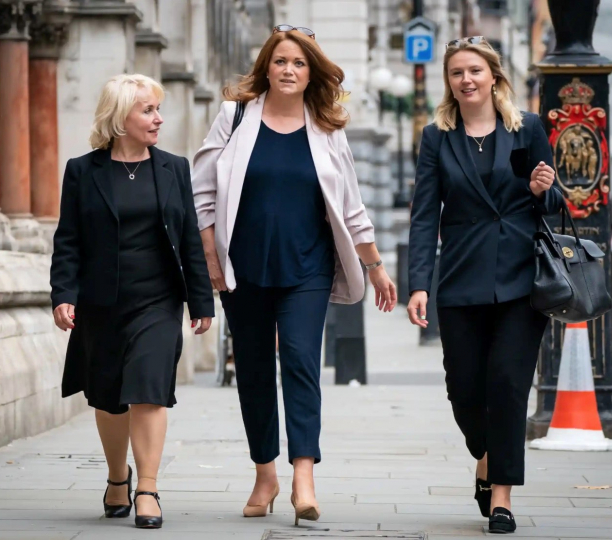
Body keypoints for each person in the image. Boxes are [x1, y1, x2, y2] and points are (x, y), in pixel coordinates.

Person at [191, 25, 397, 526]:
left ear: (312, 74)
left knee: (303, 361)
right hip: (245, 269)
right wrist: (212, 263)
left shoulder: (327, 128)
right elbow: (202, 196)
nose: (289, 70)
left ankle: (304, 474)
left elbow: (351, 208)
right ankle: (266, 473)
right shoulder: (234, 117)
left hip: (307, 267)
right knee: (255, 370)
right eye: (281, 61)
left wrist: (375, 268)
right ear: (267, 67)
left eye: (299, 64)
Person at [406, 37, 561, 534]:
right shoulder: (437, 137)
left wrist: (543, 190)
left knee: (509, 385)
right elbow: (425, 212)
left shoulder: (528, 128)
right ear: (449, 82)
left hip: (521, 278)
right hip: (460, 278)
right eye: (457, 73)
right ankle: (487, 455)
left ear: (494, 75)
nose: (467, 80)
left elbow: (555, 200)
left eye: (475, 70)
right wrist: (418, 284)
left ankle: (502, 496)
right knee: (464, 389)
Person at [50, 74, 214, 530]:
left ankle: (147, 487)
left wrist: (201, 301)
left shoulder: (173, 168)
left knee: (148, 388)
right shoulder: (83, 171)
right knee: (108, 397)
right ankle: (116, 477)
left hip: (158, 301)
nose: (158, 118)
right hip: (101, 302)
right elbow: (69, 240)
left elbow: (188, 238)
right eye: (148, 110)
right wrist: (63, 294)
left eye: (158, 109)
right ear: (120, 118)